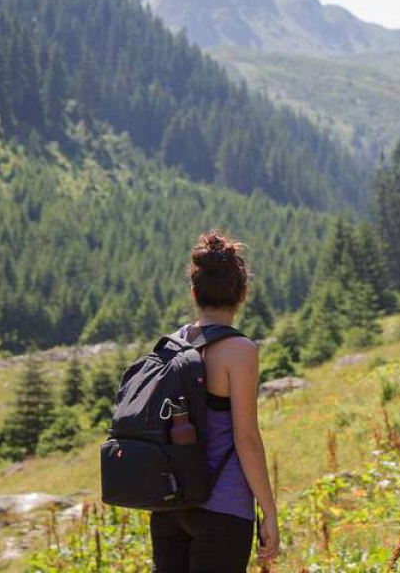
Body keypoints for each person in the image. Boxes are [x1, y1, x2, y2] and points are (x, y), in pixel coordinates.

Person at [150, 231, 280, 572]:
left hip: (169, 507)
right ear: (243, 294)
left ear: (194, 292)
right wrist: (269, 511)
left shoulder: (174, 343)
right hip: (222, 510)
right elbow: (246, 439)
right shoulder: (240, 352)